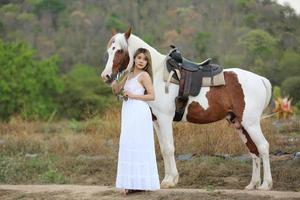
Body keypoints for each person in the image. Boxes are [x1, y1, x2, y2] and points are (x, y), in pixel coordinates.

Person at [111, 48, 160, 195]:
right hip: (128, 111)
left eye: (144, 59)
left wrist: (133, 96)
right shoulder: (128, 74)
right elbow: (118, 90)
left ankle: (141, 183)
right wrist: (113, 81)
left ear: (147, 62)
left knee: (139, 144)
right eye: (139, 57)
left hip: (139, 111)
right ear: (135, 59)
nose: (141, 61)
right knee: (128, 144)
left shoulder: (145, 76)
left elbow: (152, 96)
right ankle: (131, 183)